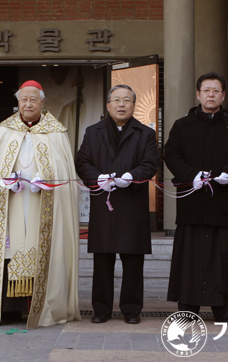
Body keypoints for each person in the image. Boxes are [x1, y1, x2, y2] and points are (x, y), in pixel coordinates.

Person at [0, 80, 80, 329]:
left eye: (33, 99)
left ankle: (42, 307)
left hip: (43, 203)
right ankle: (7, 309)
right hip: (11, 203)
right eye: (23, 99)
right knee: (8, 249)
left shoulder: (56, 132)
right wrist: (6, 182)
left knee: (43, 249)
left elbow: (64, 170)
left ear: (42, 102)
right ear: (18, 102)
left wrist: (48, 179)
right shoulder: (5, 131)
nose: (28, 104)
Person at [164, 72, 228, 323]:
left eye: (216, 90)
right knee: (188, 254)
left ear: (223, 95)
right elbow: (172, 155)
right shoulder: (182, 125)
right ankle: (188, 306)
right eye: (206, 90)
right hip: (191, 200)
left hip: (220, 200)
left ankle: (223, 308)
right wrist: (191, 174)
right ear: (198, 94)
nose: (211, 95)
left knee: (221, 255)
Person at [75, 84, 159, 324]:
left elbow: (151, 163)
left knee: (133, 261)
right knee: (103, 260)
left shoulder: (145, 133)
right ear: (108, 105)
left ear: (134, 105)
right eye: (117, 100)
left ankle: (132, 310)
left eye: (127, 100)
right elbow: (82, 162)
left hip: (133, 205)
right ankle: (101, 310)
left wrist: (131, 176)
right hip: (104, 204)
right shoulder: (93, 132)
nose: (122, 105)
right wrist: (97, 178)